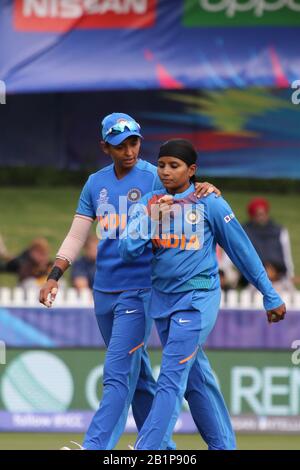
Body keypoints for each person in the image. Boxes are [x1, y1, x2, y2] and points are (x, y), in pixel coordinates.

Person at [39, 113, 220, 450]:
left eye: (134, 142)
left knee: (117, 373)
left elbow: (191, 194)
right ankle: (162, 450)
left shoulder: (156, 176)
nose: (129, 150)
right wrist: (54, 276)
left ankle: (95, 447)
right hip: (103, 290)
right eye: (120, 145)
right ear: (105, 146)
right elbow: (77, 236)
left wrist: (206, 188)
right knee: (137, 379)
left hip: (140, 291)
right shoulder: (95, 183)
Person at [119, 138, 286, 450]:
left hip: (197, 301)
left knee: (171, 373)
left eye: (174, 166)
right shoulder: (150, 203)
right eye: (161, 165)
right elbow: (127, 251)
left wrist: (269, 293)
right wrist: (151, 218)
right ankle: (224, 446)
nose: (166, 172)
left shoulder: (209, 202)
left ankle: (149, 448)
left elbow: (242, 251)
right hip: (163, 303)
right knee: (197, 379)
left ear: (191, 170)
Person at [243, 198, 295, 291]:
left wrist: (289, 274)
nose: (261, 217)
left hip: (279, 277)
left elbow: (287, 256)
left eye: (263, 213)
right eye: (258, 214)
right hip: (255, 278)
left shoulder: (279, 231)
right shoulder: (245, 232)